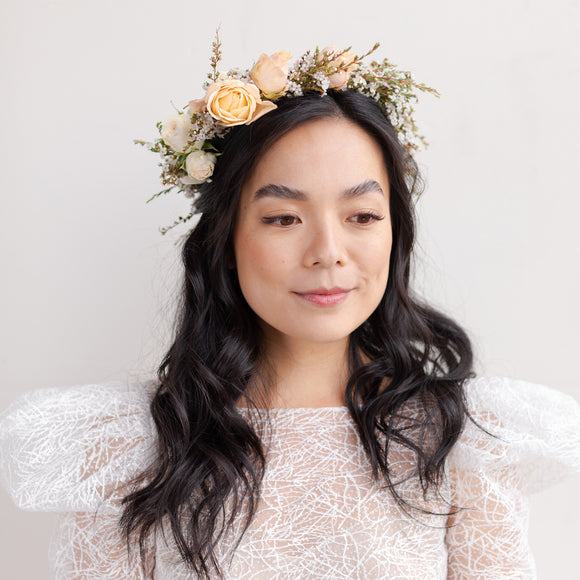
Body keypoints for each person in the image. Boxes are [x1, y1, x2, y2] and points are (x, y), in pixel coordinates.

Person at [0, 38, 579, 579]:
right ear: (226, 240)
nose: (328, 253)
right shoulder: (125, 448)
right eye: (283, 219)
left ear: (395, 234)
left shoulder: (466, 439)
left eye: (362, 216)